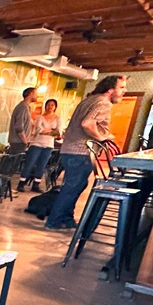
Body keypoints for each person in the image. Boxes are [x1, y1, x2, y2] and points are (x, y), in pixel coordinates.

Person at [45, 75, 127, 230]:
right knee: (73, 186)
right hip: (80, 150)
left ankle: (66, 218)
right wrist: (102, 137)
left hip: (70, 149)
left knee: (77, 185)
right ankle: (54, 221)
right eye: (121, 87)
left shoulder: (89, 100)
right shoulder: (103, 102)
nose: (124, 91)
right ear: (110, 90)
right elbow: (87, 123)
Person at [18, 99, 61, 192]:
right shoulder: (40, 117)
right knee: (30, 163)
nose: (50, 107)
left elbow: (58, 132)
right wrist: (51, 131)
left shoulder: (58, 118)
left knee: (42, 165)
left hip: (49, 145)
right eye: (48, 105)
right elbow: (38, 130)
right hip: (37, 143)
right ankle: (21, 183)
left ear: (55, 107)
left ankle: (36, 184)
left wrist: (48, 131)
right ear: (45, 106)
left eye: (52, 105)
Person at [7, 87, 37, 155]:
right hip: (18, 142)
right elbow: (19, 127)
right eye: (36, 94)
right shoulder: (22, 107)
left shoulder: (26, 107)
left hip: (20, 142)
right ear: (31, 93)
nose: (37, 96)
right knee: (14, 164)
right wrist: (25, 141)